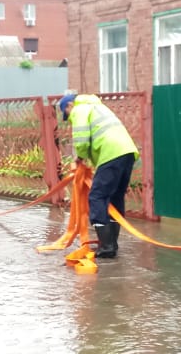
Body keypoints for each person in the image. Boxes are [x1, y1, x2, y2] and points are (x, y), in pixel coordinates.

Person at [59, 93, 139, 258]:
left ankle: (107, 246)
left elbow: (82, 139)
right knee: (115, 197)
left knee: (97, 197)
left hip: (110, 153)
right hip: (127, 152)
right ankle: (111, 243)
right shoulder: (98, 107)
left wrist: (80, 157)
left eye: (67, 115)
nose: (70, 119)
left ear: (69, 106)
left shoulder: (79, 109)